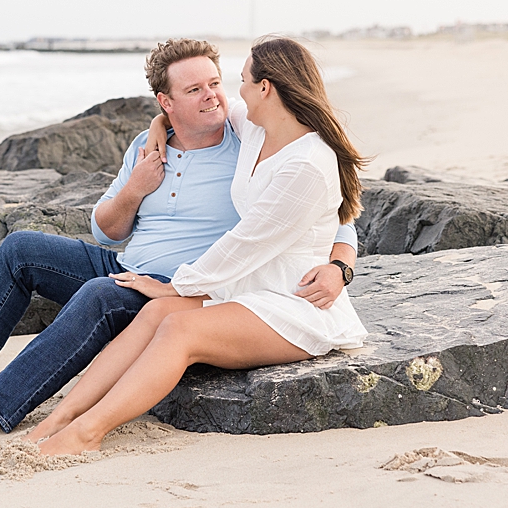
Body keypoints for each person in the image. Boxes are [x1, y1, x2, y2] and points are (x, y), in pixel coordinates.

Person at [0, 38, 358, 443]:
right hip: (128, 268)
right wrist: (136, 185)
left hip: (188, 285)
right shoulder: (146, 145)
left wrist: (340, 267)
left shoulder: (249, 135)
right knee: (21, 249)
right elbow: (104, 230)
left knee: (99, 296)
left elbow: (325, 211)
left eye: (216, 83)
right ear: (165, 102)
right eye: (194, 90)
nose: (213, 97)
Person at [30, 37, 369, 455]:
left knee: (178, 327)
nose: (233, 92)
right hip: (250, 286)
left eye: (242, 81)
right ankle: (60, 417)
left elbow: (248, 242)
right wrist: (159, 126)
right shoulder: (256, 127)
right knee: (155, 312)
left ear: (265, 88)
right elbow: (187, 115)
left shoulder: (307, 164)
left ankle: (88, 432)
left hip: (295, 301)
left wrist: (179, 285)